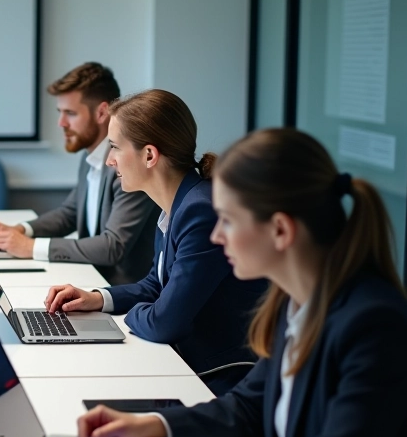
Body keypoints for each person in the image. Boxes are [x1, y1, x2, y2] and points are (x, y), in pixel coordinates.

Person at [77, 128, 407, 437]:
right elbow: (250, 403)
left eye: (229, 221)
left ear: (281, 230)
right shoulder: (296, 301)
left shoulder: (373, 326)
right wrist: (151, 424)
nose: (217, 236)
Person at [45, 90, 266, 395]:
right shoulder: (177, 203)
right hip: (186, 361)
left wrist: (129, 315)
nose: (109, 160)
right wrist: (97, 298)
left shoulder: (199, 211)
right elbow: (154, 285)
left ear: (149, 155)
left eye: (114, 147)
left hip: (218, 377)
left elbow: (165, 322)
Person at [0, 63, 158, 285]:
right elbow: (70, 213)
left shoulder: (127, 166)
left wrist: (31, 247)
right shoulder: (90, 156)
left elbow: (113, 246)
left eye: (70, 113)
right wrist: (22, 229)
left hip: (124, 292)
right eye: (60, 113)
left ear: (102, 112)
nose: (61, 123)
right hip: (90, 278)